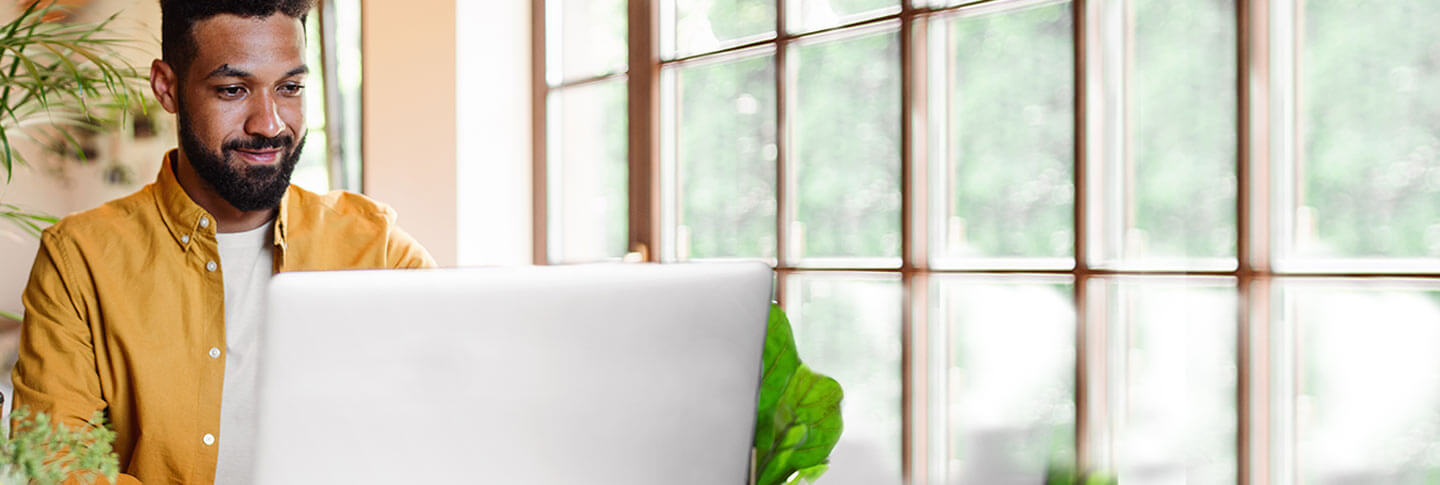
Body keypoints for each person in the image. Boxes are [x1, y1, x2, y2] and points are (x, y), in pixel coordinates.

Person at [10, 1, 435, 483]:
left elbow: (446, 424)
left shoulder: (376, 248)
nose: (269, 124)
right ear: (167, 87)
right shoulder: (79, 260)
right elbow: (56, 464)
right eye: (233, 90)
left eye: (290, 88)